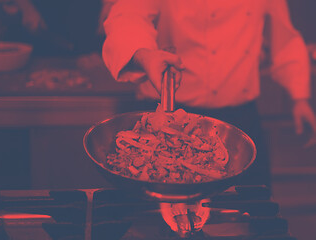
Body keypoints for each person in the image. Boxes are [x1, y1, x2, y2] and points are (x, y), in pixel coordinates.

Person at [101, 0, 316, 187]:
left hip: (239, 126)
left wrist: (300, 97)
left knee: (249, 215)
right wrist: (143, 55)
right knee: (161, 217)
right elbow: (128, 14)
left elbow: (284, 35)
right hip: (167, 121)